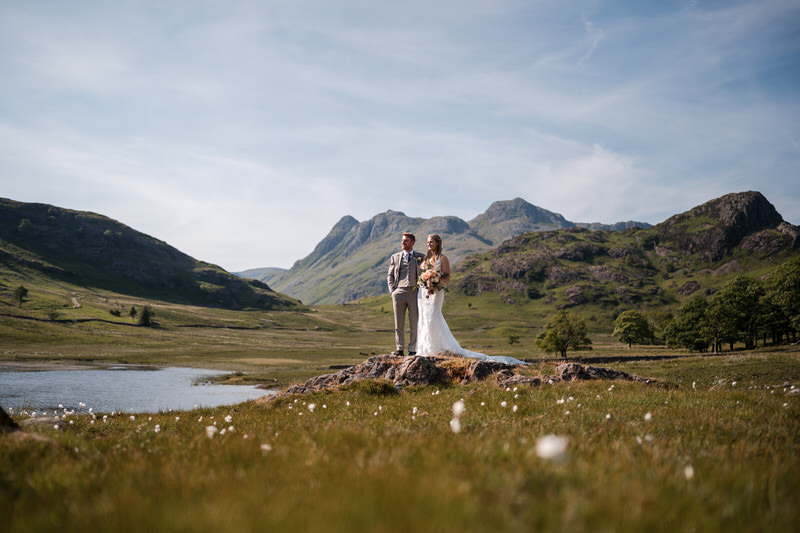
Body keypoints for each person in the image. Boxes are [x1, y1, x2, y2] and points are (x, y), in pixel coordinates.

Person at [416, 234, 526, 365]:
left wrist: (435, 285)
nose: (429, 244)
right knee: (423, 317)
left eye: (431, 242)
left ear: (437, 243)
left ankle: (439, 347)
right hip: (422, 293)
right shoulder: (425, 259)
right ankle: (426, 348)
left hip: (436, 292)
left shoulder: (443, 258)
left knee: (434, 316)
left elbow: (447, 277)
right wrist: (425, 282)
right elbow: (421, 276)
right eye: (428, 242)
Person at [387, 232, 426, 356]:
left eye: (405, 241)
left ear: (412, 243)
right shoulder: (395, 257)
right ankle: (399, 349)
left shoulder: (421, 257)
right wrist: (393, 290)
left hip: (415, 293)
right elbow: (390, 275)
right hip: (399, 292)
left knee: (414, 322)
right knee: (399, 323)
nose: (402, 243)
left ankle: (412, 349)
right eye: (402, 241)